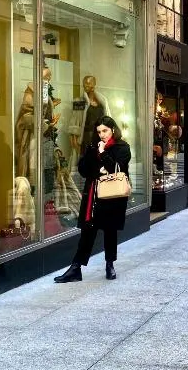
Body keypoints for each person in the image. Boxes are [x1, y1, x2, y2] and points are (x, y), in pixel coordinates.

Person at [55, 116, 131, 283]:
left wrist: (103, 154)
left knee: (110, 231)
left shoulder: (122, 147)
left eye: (105, 131)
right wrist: (93, 155)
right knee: (87, 231)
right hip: (93, 196)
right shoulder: (92, 147)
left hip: (112, 196)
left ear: (112, 129)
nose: (102, 134)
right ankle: (76, 267)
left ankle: (109, 265)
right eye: (99, 132)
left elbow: (115, 169)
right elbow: (83, 170)